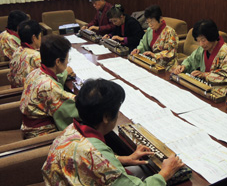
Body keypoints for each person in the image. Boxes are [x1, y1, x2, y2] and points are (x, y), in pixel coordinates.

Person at [42, 79, 184, 185]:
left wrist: (123, 159)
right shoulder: (98, 155)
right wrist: (165, 173)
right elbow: (98, 159)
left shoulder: (72, 129)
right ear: (106, 117)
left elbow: (88, 161)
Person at [20, 35, 79, 139]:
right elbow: (75, 109)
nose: (67, 62)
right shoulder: (49, 87)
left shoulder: (35, 72)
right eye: (66, 59)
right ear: (57, 62)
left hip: (27, 127)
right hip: (41, 135)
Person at [173, 19, 227, 96]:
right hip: (204, 86)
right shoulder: (203, 49)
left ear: (211, 36)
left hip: (223, 89)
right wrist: (183, 66)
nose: (201, 44)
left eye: (203, 40)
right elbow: (191, 60)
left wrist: (204, 75)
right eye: (198, 41)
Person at [131, 5, 178, 71]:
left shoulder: (170, 32)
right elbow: (143, 43)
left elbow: (171, 52)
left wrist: (154, 55)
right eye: (148, 22)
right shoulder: (150, 30)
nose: (150, 25)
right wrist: (138, 49)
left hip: (168, 66)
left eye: (152, 21)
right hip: (152, 63)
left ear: (160, 18)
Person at [8, 20, 42, 88]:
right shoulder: (36, 56)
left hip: (16, 91)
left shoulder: (17, 50)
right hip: (30, 93)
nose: (41, 39)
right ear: (34, 38)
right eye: (40, 36)